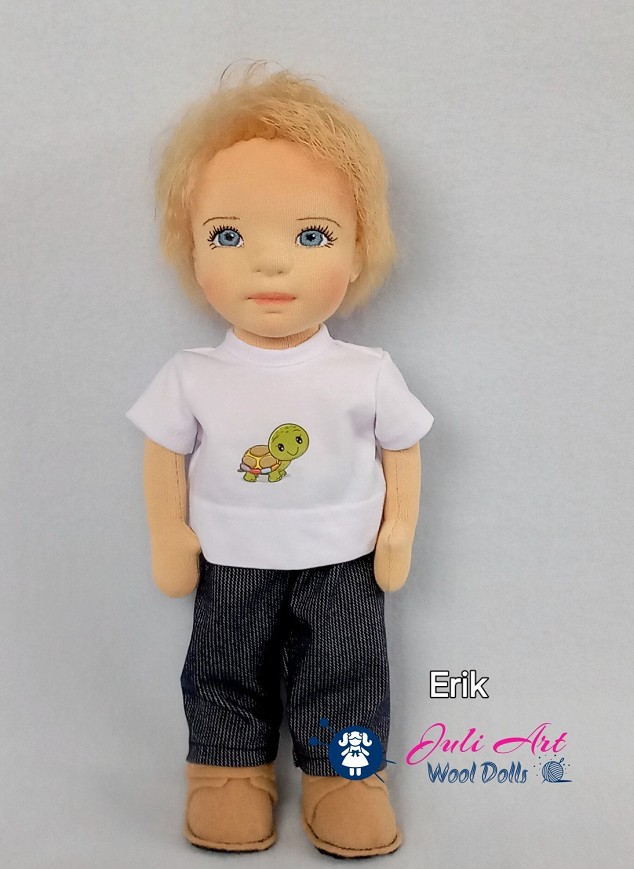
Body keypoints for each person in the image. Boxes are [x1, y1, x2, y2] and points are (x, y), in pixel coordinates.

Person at [126, 62, 433, 858]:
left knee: (347, 668)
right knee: (226, 664)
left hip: (344, 558)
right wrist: (169, 534)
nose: (270, 263)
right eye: (228, 235)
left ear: (358, 250)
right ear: (192, 250)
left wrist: (399, 527)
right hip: (230, 556)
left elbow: (402, 442)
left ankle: (347, 773)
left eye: (311, 235)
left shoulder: (366, 371)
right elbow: (165, 449)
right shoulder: (193, 374)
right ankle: (226, 768)